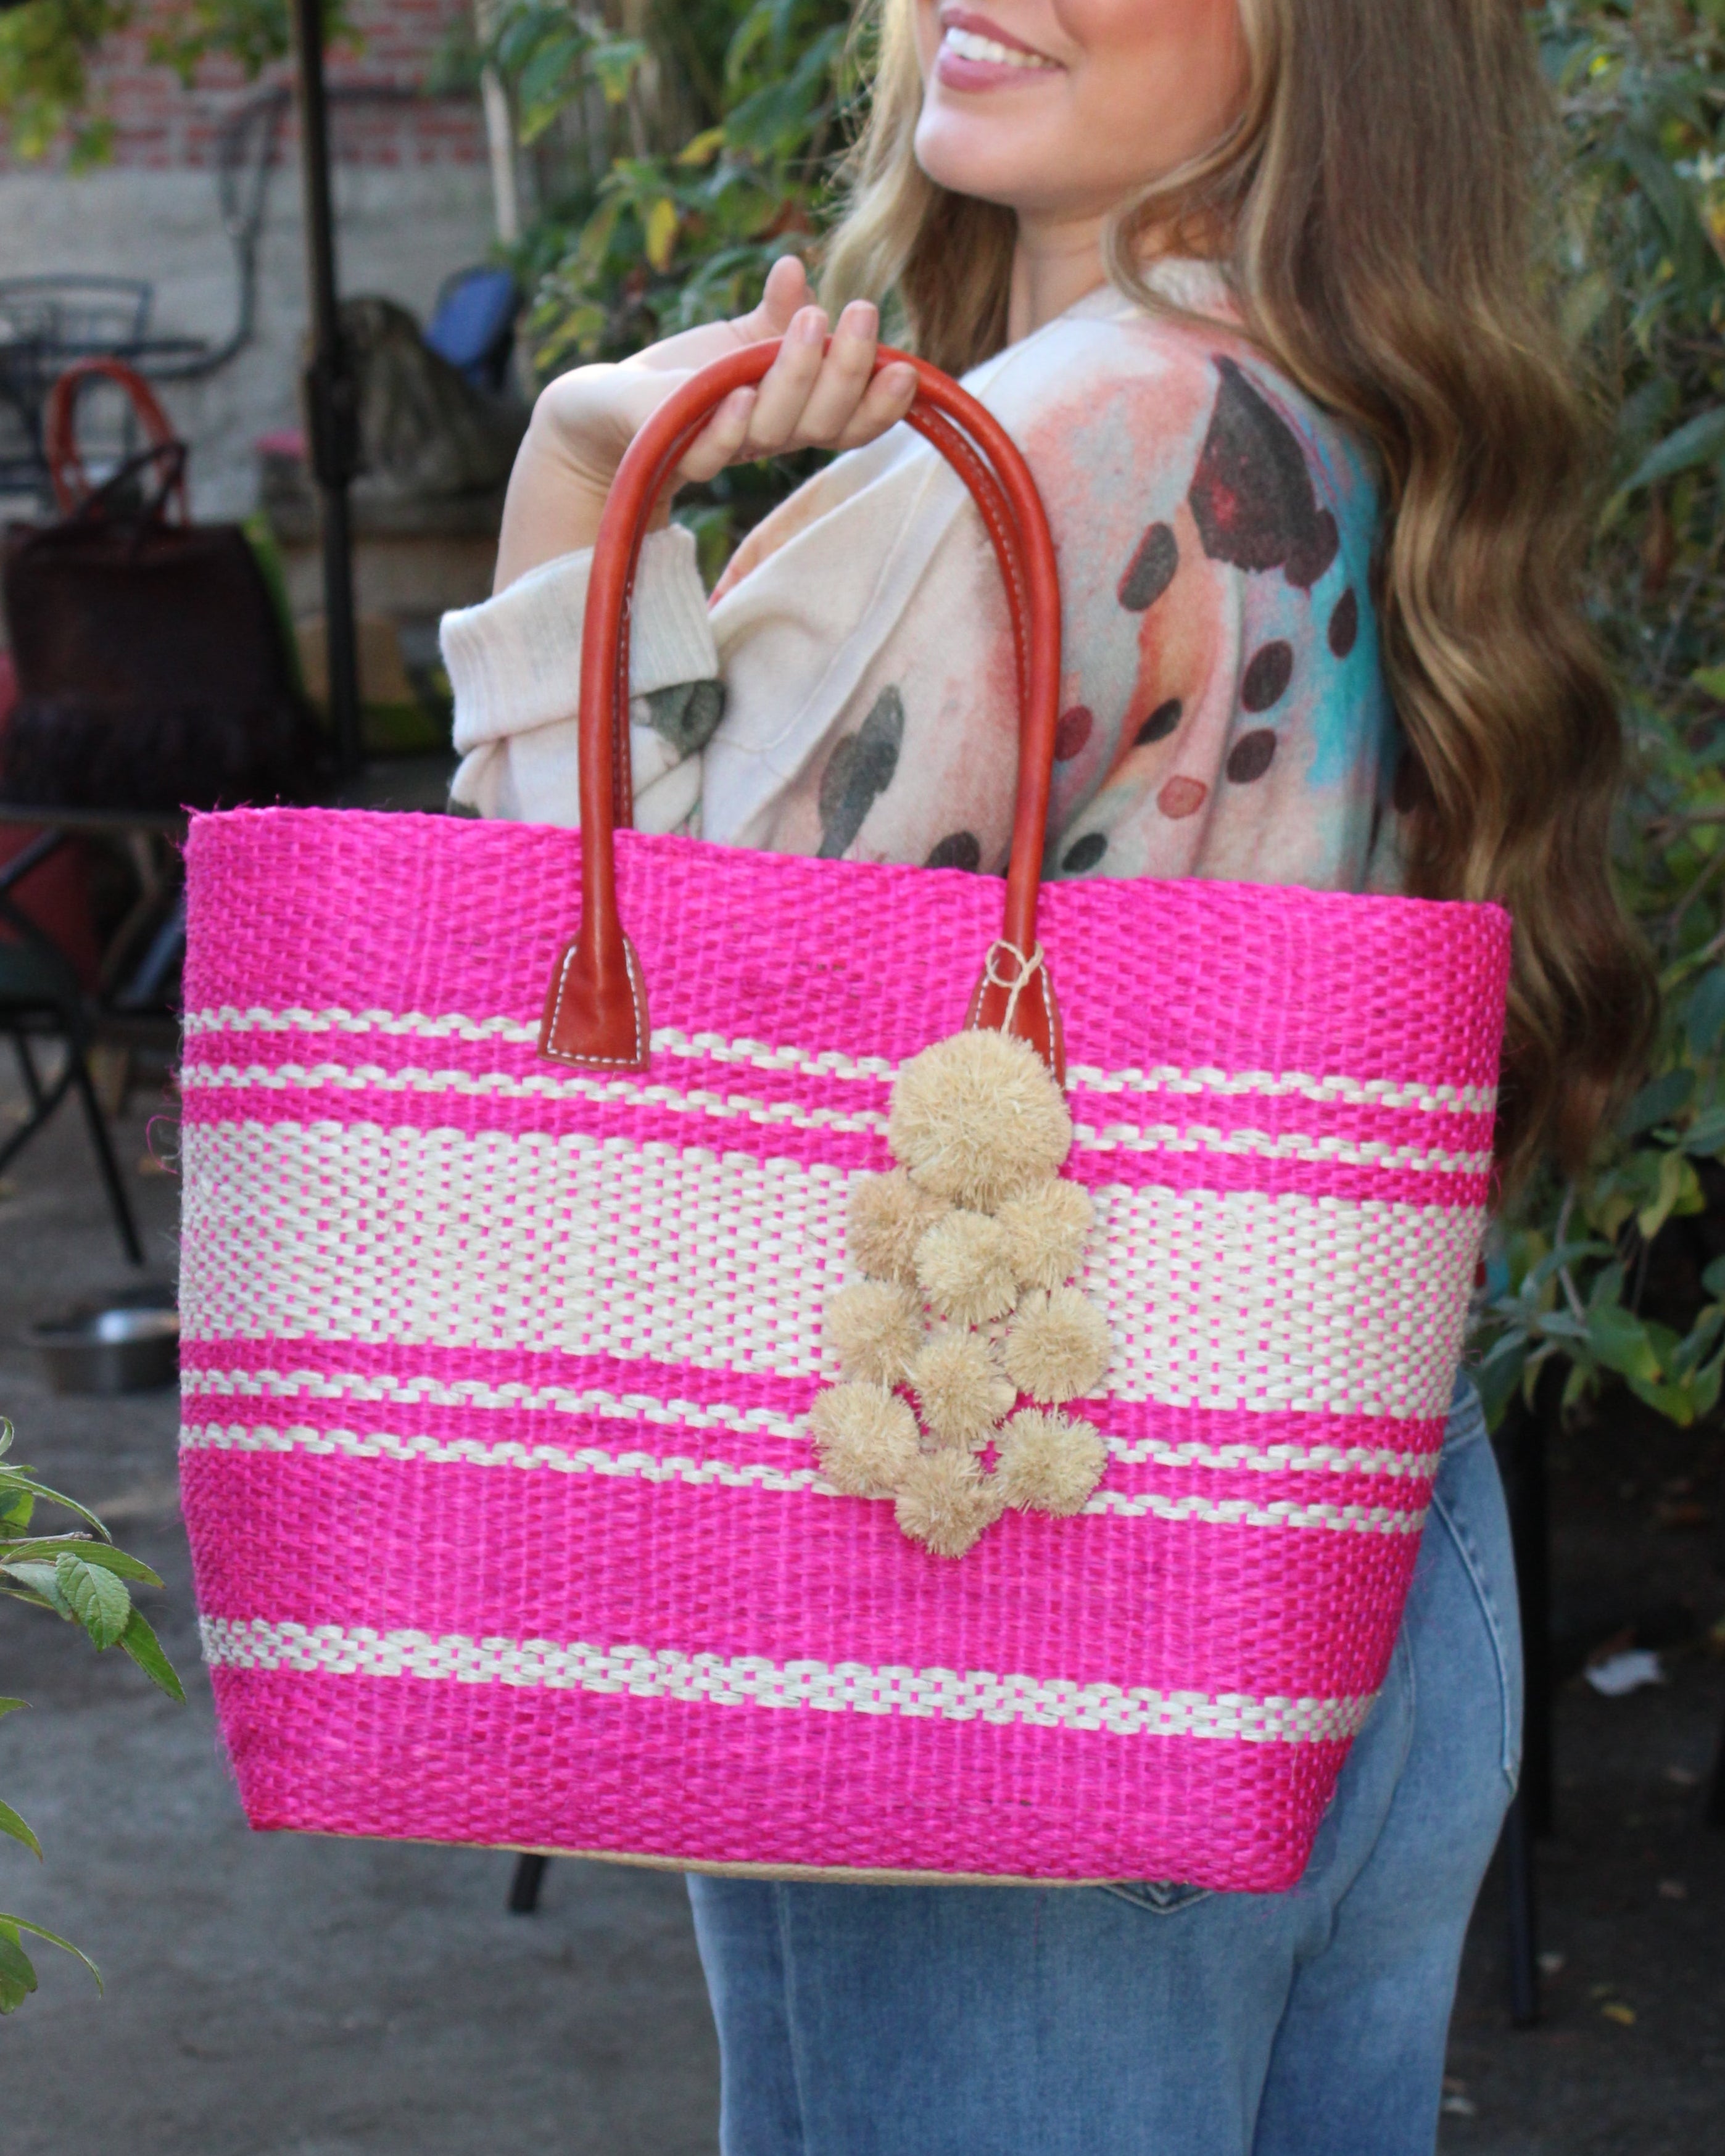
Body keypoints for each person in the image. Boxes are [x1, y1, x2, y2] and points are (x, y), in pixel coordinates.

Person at [440, 3, 1652, 2149]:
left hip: (999, 1569)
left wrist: (570, 472)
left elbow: (593, 1013)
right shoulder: (1346, 409)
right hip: (1353, 1522)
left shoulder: (1050, 457)